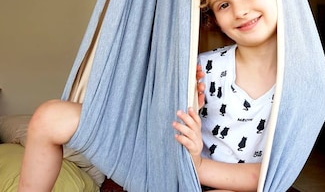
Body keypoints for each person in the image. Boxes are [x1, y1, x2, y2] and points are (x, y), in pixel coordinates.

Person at [173, 0, 277, 192]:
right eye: (224, 5)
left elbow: (263, 176)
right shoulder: (203, 69)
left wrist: (199, 166)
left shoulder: (300, 80)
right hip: (193, 181)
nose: (240, 11)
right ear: (214, 18)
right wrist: (188, 111)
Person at [17, 65, 205, 192]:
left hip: (183, 168)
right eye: (223, 5)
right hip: (147, 148)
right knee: (49, 117)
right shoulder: (201, 64)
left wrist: (195, 158)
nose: (236, 13)